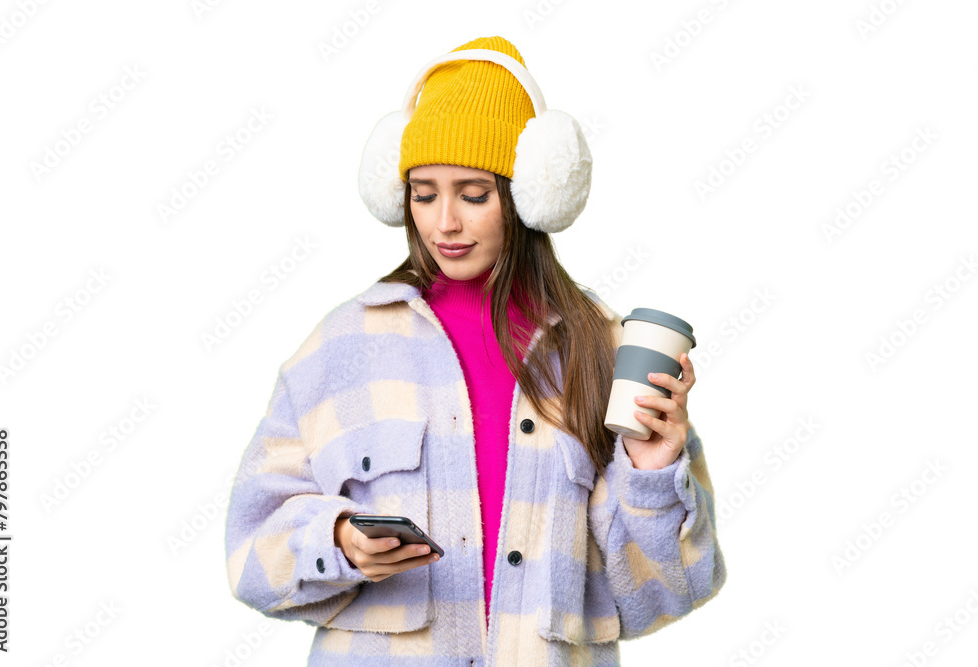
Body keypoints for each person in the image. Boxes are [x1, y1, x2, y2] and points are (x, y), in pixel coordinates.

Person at [224, 35, 726, 666]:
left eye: (474, 193)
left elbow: (664, 596)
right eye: (424, 193)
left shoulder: (603, 348)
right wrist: (341, 542)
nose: (444, 224)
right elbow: (250, 553)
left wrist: (652, 471)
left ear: (528, 195)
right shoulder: (341, 348)